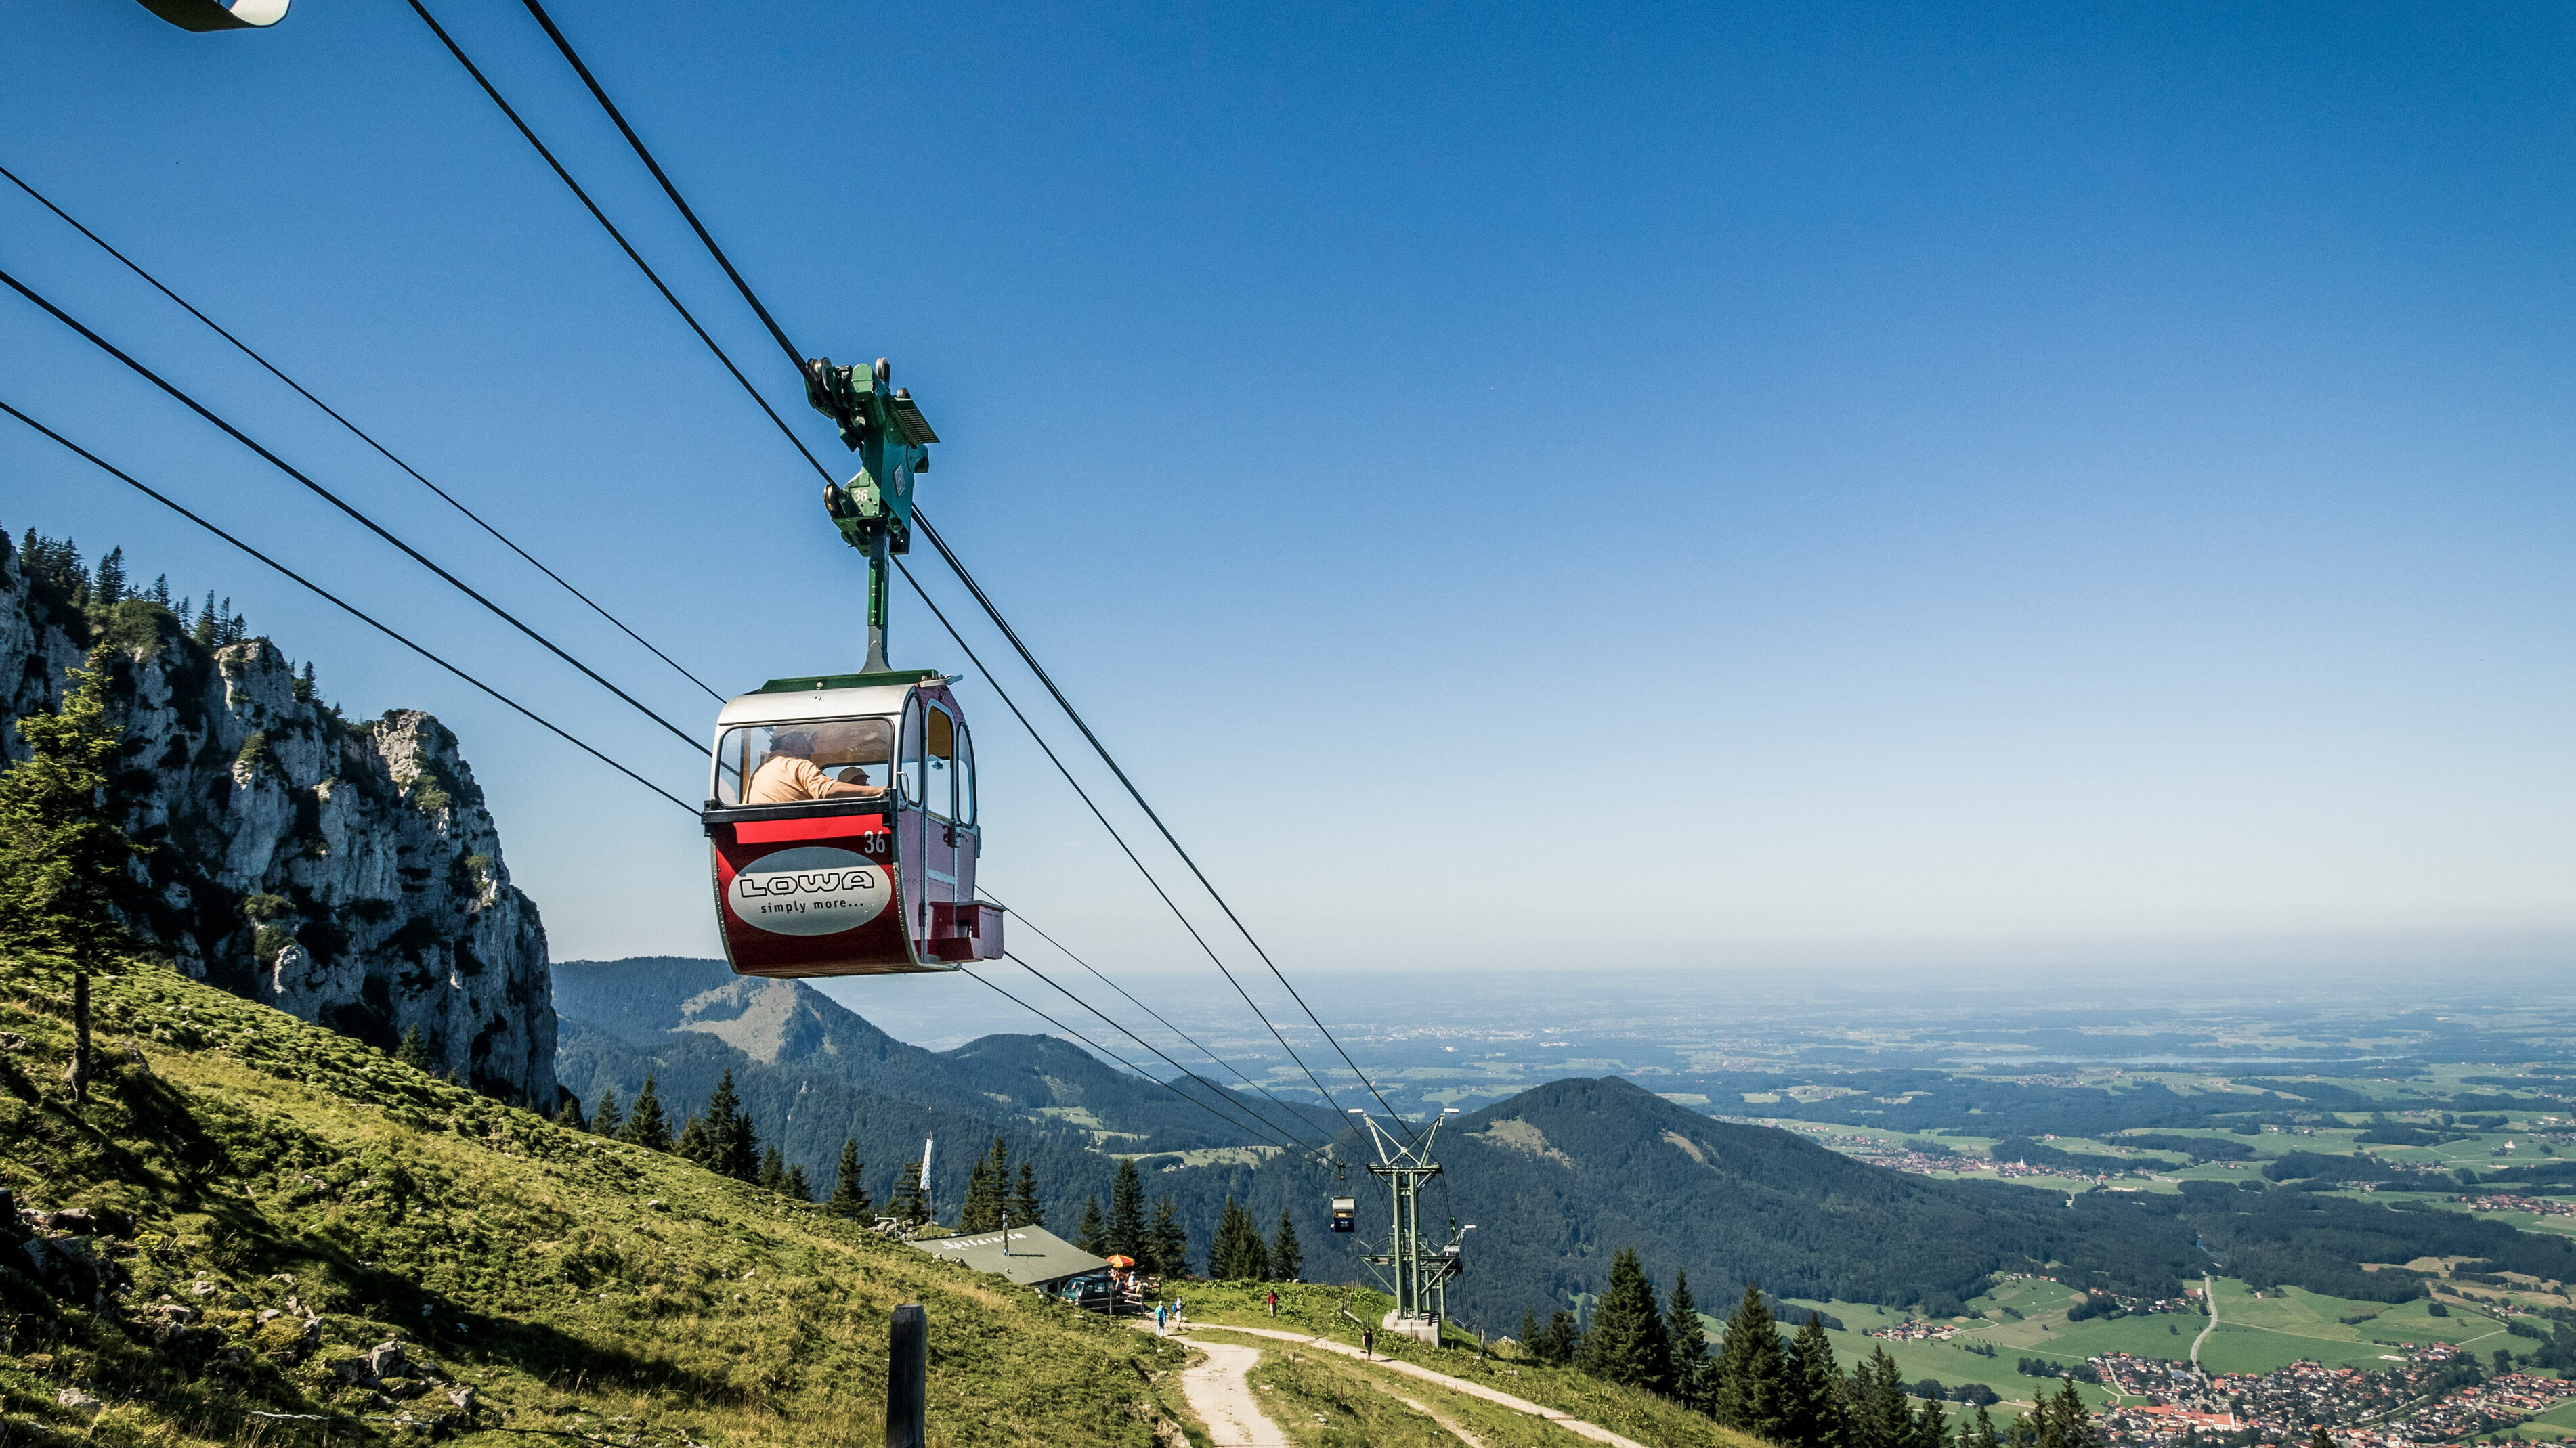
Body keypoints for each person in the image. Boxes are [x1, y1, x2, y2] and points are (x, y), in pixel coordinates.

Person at [746, 730, 887, 804]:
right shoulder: (796, 765)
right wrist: (879, 790)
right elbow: (827, 791)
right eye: (807, 742)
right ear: (790, 741)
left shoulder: (759, 773)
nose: (811, 750)